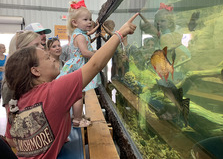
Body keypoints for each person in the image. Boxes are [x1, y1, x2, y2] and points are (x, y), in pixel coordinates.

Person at [4, 13, 138, 158]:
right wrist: (120, 33)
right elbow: (95, 64)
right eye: (47, 57)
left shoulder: (15, 103)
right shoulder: (54, 91)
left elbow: (11, 140)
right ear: (35, 71)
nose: (53, 60)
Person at [57, 0, 101, 127]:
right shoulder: (80, 37)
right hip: (79, 67)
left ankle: (77, 116)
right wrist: (99, 54)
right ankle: (77, 120)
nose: (89, 22)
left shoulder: (79, 33)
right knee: (78, 95)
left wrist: (94, 30)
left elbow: (88, 34)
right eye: (85, 19)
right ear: (75, 22)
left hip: (77, 65)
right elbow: (85, 52)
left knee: (79, 93)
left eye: (90, 19)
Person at [1, 31, 44, 116]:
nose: (42, 47)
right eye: (36, 45)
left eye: (41, 44)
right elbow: (12, 121)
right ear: (21, 50)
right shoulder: (10, 85)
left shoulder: (36, 75)